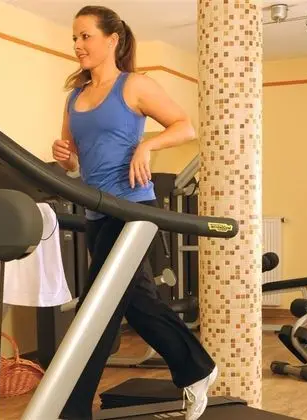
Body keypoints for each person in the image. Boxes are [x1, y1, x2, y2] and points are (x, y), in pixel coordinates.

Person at [51, 5, 218, 420]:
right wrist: (65, 158)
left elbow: (184, 126)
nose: (77, 45)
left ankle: (71, 408)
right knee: (133, 301)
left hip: (133, 207)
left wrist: (147, 145)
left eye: (85, 36)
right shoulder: (74, 98)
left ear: (112, 40)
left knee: (98, 307)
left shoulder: (134, 85)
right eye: (75, 37)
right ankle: (197, 368)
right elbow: (76, 160)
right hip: (97, 211)